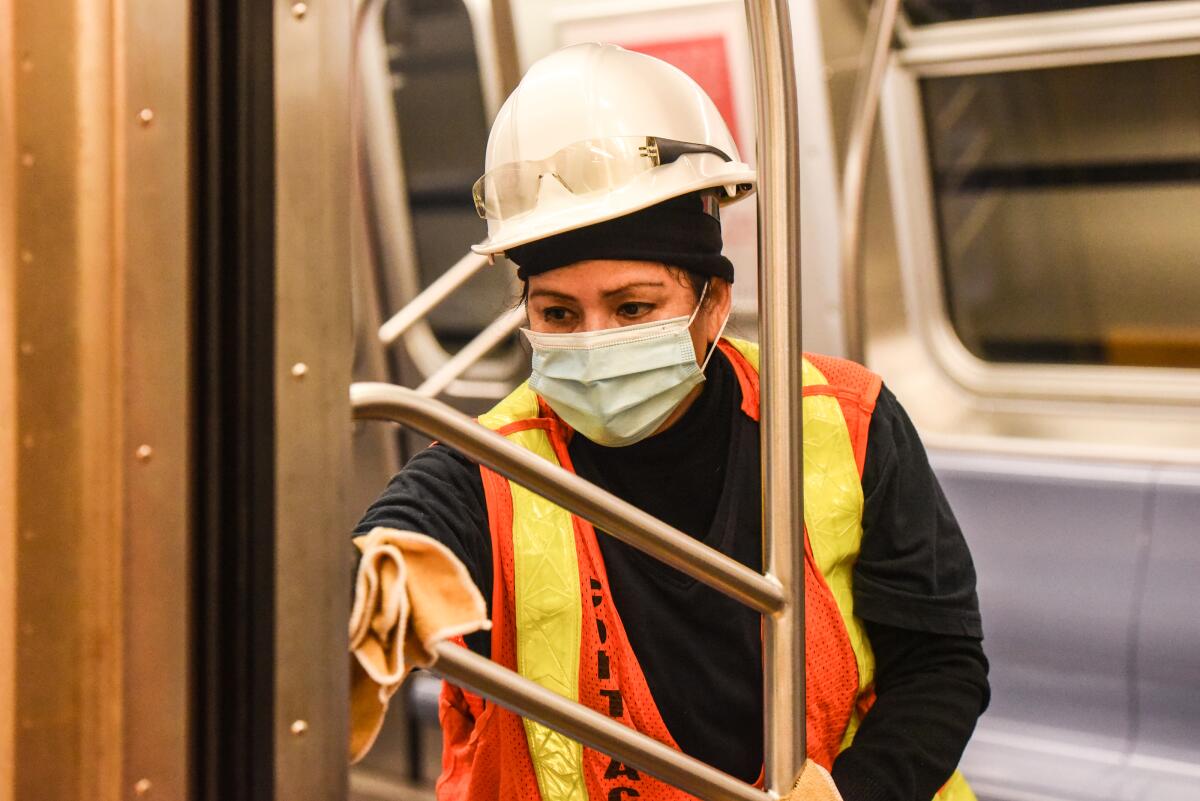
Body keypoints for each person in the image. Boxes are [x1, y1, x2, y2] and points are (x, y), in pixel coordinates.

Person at [352, 42, 989, 801]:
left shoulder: (841, 420)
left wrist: (857, 792)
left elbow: (940, 661)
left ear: (712, 304)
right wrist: (364, 586)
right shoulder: (488, 466)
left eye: (632, 308)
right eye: (557, 312)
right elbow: (403, 534)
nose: (592, 343)